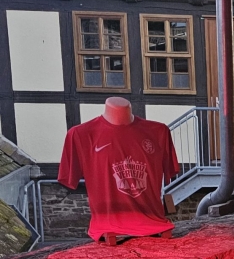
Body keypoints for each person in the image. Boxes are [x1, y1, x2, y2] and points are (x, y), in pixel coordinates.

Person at [58, 97, 179, 244]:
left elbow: (169, 171)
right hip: (107, 224)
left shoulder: (159, 132)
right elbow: (69, 177)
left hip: (153, 222)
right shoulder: (79, 135)